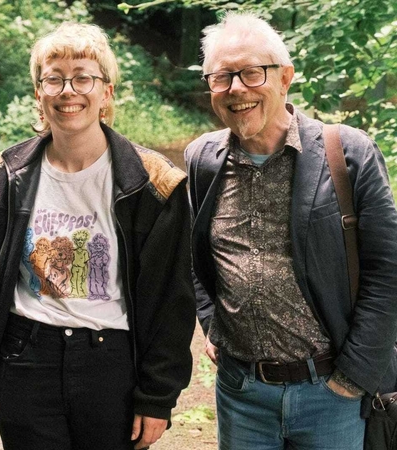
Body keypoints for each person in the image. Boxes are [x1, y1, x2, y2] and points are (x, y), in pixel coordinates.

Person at [0, 22, 196, 450]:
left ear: (106, 92)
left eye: (83, 77)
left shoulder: (153, 184)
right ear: (38, 92)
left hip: (111, 365)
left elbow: (171, 300)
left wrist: (158, 396)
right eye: (54, 78)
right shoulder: (5, 175)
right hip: (25, 358)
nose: (68, 90)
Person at [186, 11, 397, 449]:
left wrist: (354, 376)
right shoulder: (202, 160)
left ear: (285, 78)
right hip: (240, 394)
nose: (236, 89)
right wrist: (211, 323)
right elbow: (194, 257)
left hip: (332, 394)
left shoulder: (348, 153)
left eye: (251, 73)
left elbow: (387, 270)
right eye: (222, 77)